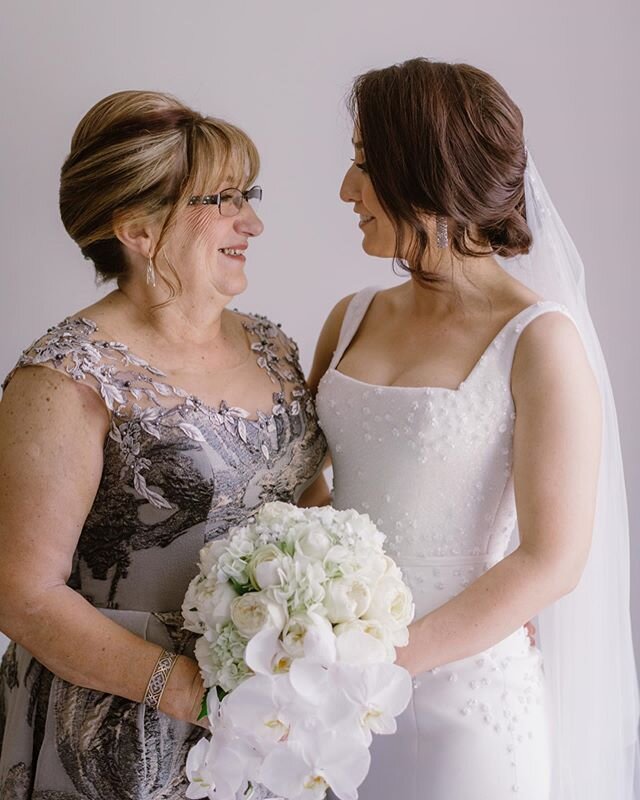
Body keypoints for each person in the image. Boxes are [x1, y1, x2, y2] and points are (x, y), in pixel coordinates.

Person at [310, 59, 640, 799]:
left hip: (461, 709)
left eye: (364, 165)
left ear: (426, 174)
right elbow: (299, 475)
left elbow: (553, 558)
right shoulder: (353, 314)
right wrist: (306, 604)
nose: (345, 190)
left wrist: (385, 664)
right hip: (330, 701)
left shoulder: (539, 341)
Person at [0, 90, 327, 798]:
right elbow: (22, 594)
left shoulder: (273, 345)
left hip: (271, 724)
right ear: (140, 232)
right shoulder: (62, 380)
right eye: (224, 201)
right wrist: (188, 692)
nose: (254, 222)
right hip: (119, 735)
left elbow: (307, 506)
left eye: (250, 195)